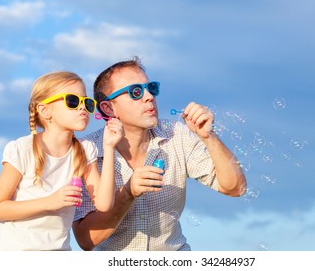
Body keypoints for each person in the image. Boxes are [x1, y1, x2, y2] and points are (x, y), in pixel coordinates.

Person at [72, 56, 247, 251]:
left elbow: (235, 188)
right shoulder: (87, 150)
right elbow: (85, 240)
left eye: (151, 88)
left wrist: (208, 136)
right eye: (136, 92)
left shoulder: (177, 134)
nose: (149, 97)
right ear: (108, 108)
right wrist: (127, 193)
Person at [0, 71, 123, 250]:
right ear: (45, 110)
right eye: (73, 101)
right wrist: (49, 202)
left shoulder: (85, 150)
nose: (82, 107)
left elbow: (104, 204)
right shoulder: (22, 149)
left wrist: (109, 147)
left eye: (87, 102)